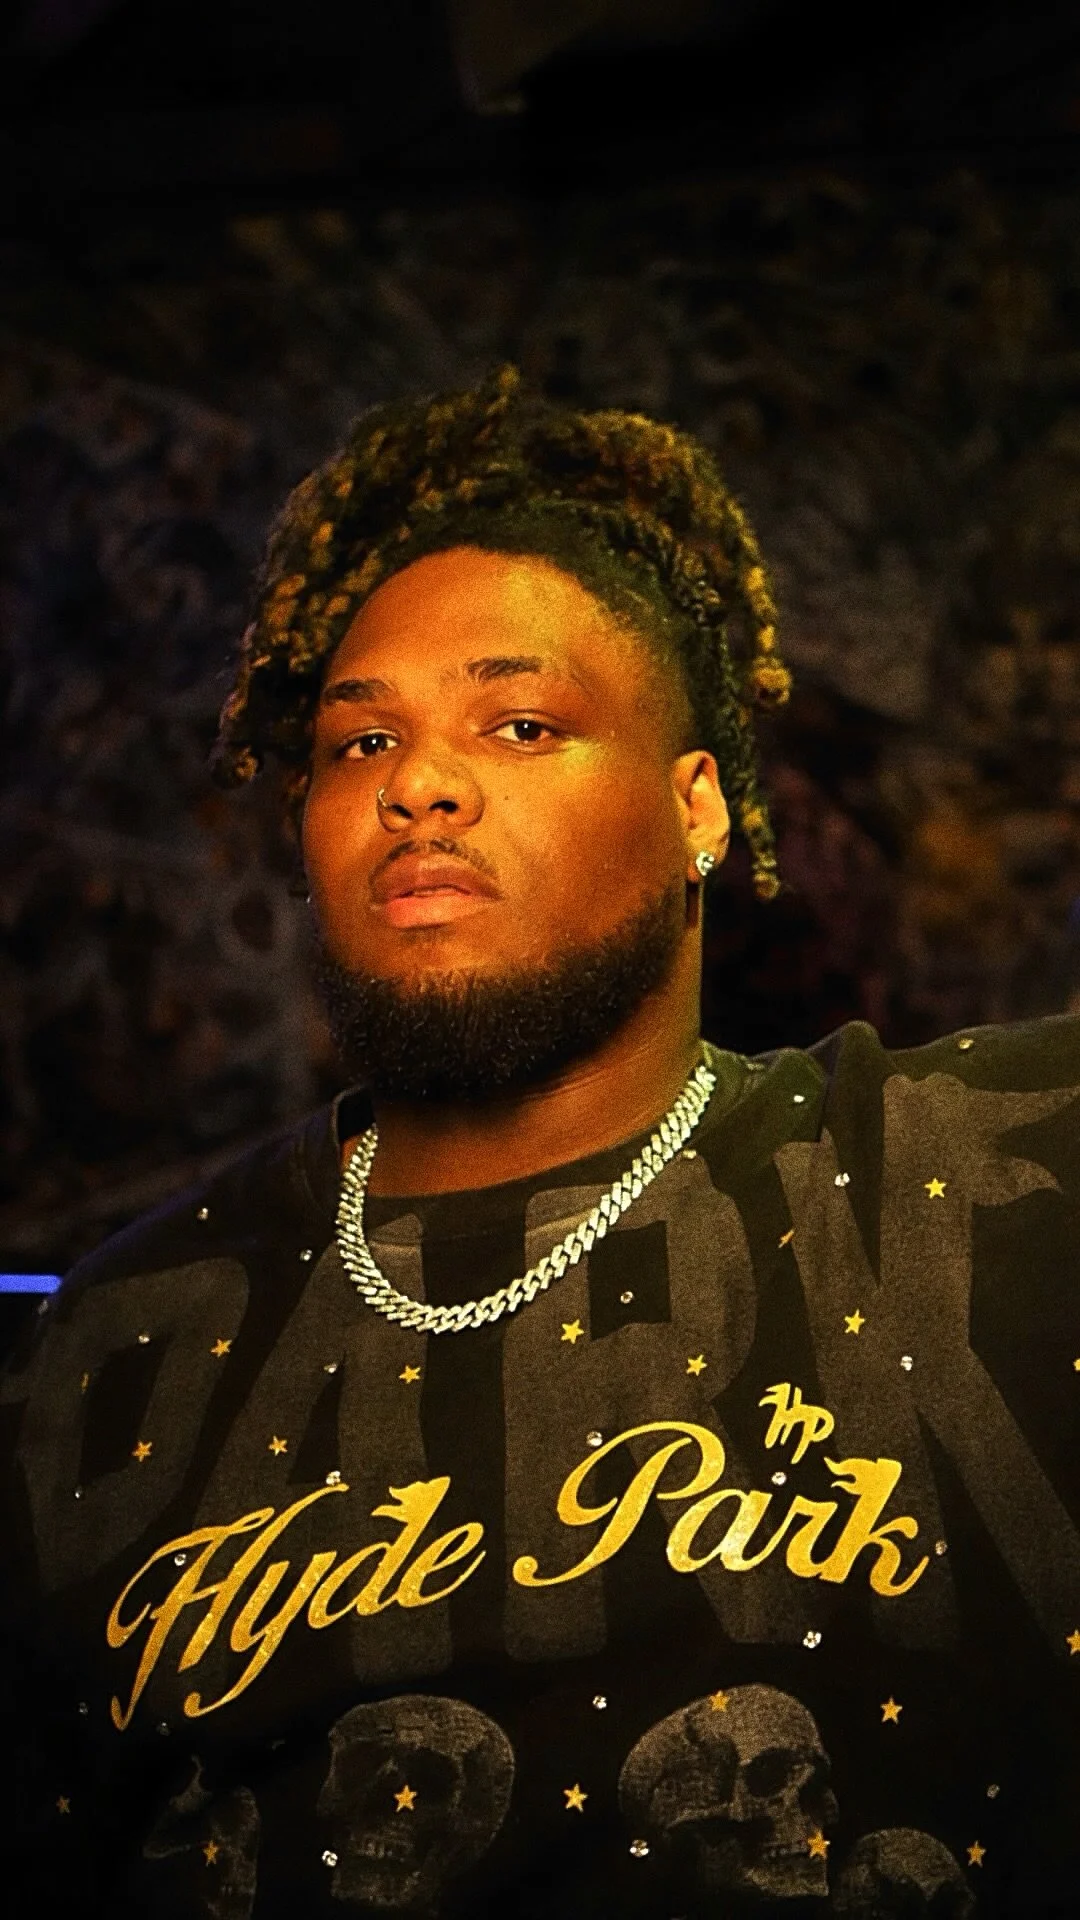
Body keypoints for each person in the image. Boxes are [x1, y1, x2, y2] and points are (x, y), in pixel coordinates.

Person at [2, 364, 1078, 1919]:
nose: (421, 783)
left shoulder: (985, 1185)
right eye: (360, 746)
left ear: (698, 806)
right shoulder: (90, 1373)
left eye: (519, 722)